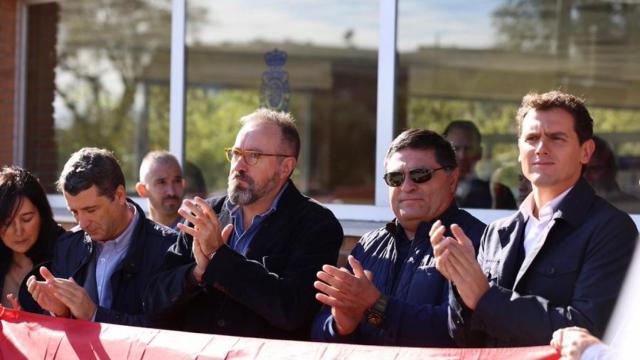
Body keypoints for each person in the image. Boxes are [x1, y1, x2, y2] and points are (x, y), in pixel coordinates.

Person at [431, 90, 638, 347]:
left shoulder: (612, 229)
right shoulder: (497, 233)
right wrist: (461, 285)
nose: (541, 148)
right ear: (519, 150)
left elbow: (586, 332)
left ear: (586, 151)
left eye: (556, 138)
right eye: (531, 138)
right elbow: (465, 339)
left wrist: (485, 297)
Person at [144, 109, 343, 339]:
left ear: (285, 168)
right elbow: (152, 303)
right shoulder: (206, 214)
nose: (239, 165)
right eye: (236, 153)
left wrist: (218, 255)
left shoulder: (316, 225)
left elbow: (292, 310)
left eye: (254, 156)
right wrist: (196, 273)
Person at [311, 129, 486, 346]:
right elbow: (322, 331)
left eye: (420, 175)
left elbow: (463, 331)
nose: (407, 186)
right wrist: (343, 326)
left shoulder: (477, 242)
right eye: (395, 177)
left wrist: (377, 304)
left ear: (452, 181)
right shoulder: (369, 246)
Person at [25, 147, 177, 326]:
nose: (82, 223)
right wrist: (60, 313)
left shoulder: (170, 248)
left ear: (119, 195)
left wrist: (94, 314)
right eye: (74, 212)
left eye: (91, 210)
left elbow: (166, 333)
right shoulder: (67, 246)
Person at [0, 166, 65, 309]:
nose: (18, 231)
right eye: (7, 223)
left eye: (27, 219)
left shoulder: (66, 252)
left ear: (42, 215)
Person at [443, 120, 516, 209]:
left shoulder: (499, 194)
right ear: (443, 153)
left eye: (468, 149)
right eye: (455, 148)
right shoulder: (432, 191)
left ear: (479, 153)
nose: (462, 156)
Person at [584, 136, 639, 213]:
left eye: (594, 169)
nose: (586, 176)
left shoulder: (632, 207)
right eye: (580, 170)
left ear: (612, 170)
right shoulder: (567, 208)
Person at [136, 150, 185, 229]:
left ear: (183, 184)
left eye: (177, 181)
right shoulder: (134, 236)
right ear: (142, 190)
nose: (171, 192)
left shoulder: (198, 233)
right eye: (162, 182)